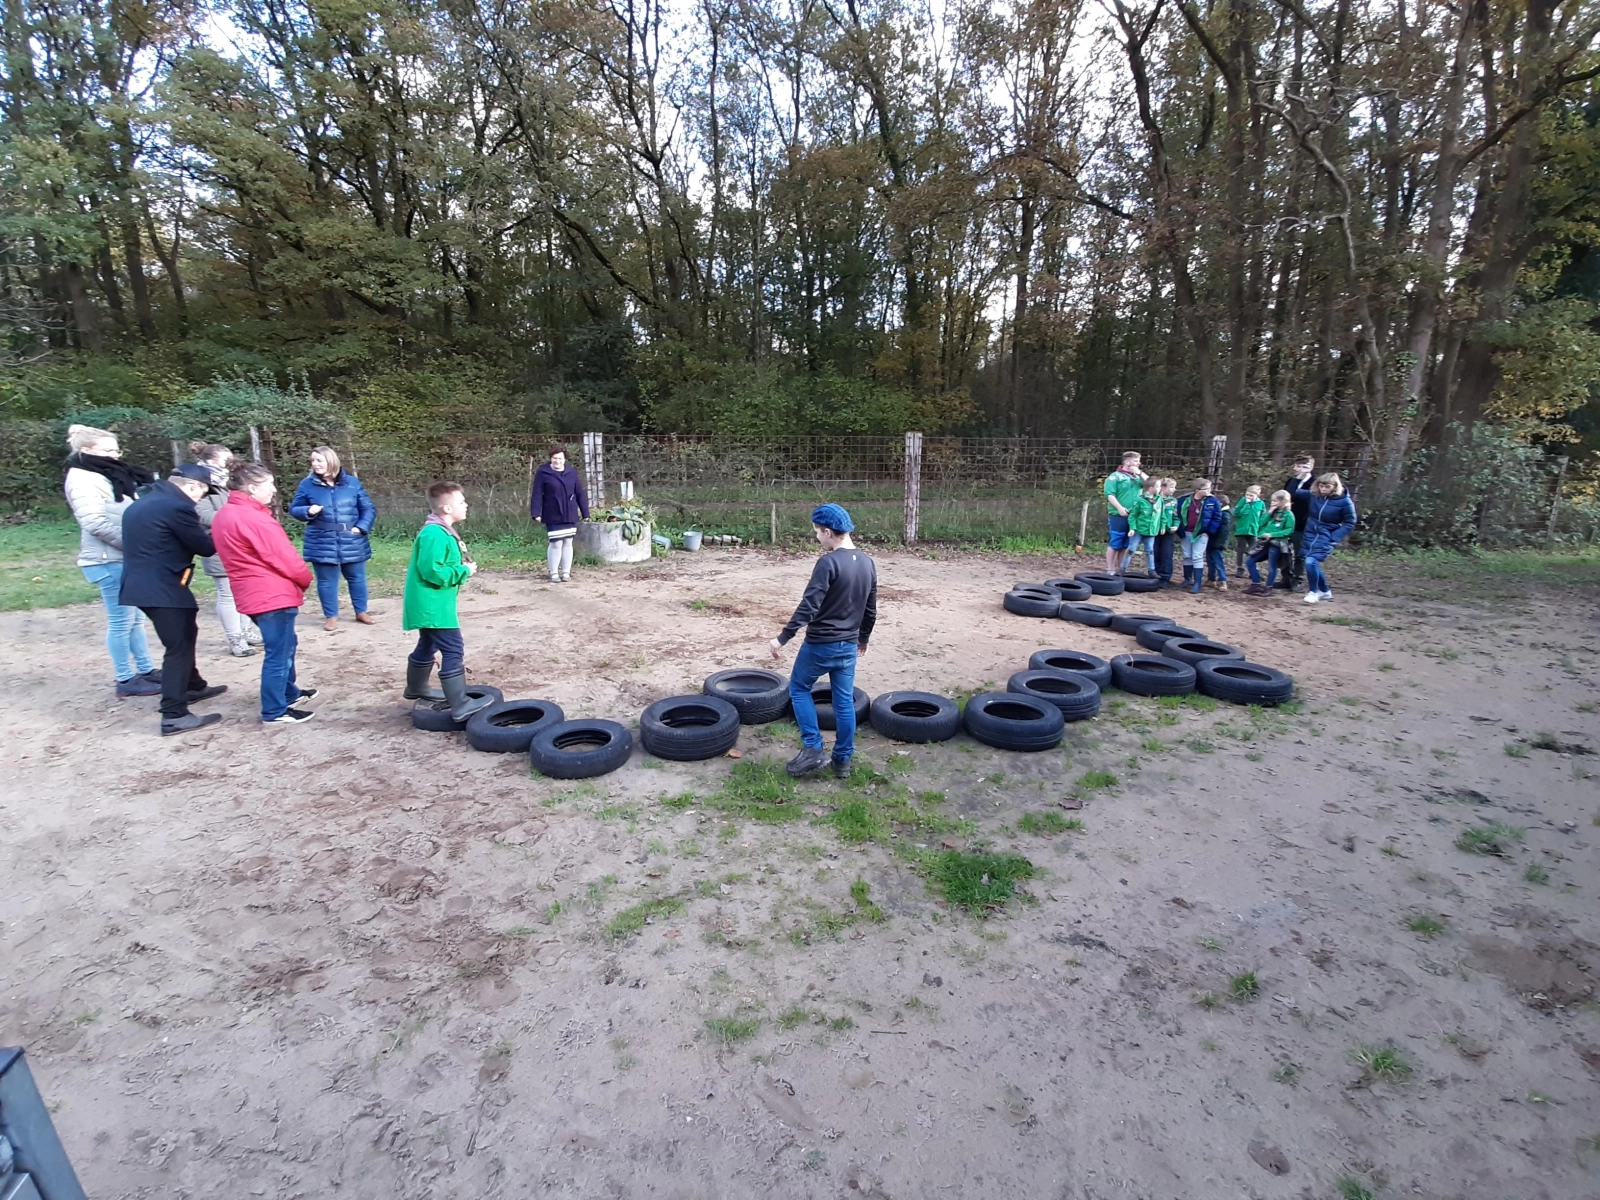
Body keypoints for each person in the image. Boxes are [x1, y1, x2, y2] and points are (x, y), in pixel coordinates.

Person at [118, 464, 229, 735]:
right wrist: (225, 525)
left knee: (186, 633)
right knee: (178, 646)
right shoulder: (176, 508)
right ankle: (173, 714)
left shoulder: (145, 502)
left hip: (143, 584)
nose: (201, 499)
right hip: (162, 587)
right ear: (193, 486)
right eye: (203, 493)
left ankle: (193, 686)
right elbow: (204, 547)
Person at [770, 503, 877, 780]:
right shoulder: (867, 563)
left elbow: (809, 606)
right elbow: (870, 608)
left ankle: (813, 748)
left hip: (820, 645)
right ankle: (842, 761)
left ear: (828, 531)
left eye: (817, 532)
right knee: (843, 703)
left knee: (799, 688)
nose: (817, 537)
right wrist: (863, 638)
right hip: (849, 645)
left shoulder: (828, 563)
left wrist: (783, 637)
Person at [212, 463, 322, 724]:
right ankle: (275, 710)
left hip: (254, 592)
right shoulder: (253, 518)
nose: (274, 490)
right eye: (269, 485)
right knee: (278, 653)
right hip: (270, 594)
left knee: (286, 644)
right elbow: (283, 556)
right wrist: (305, 578)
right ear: (252, 488)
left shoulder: (227, 513)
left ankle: (288, 693)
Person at [63, 423, 161, 698]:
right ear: (86, 450)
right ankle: (125, 678)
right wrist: (134, 543)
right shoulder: (83, 479)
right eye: (108, 450)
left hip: (123, 557)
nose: (115, 455)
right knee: (121, 620)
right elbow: (94, 522)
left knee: (135, 619)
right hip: (108, 559)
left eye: (116, 449)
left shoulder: (107, 475)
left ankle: (145, 670)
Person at [403, 481, 493, 719]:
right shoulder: (434, 533)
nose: (466, 505)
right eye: (461, 502)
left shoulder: (440, 530)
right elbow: (431, 570)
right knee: (453, 648)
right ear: (446, 508)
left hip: (432, 603)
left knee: (428, 644)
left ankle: (416, 687)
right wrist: (464, 571)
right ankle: (460, 704)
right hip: (432, 605)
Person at [289, 446, 376, 631]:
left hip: (352, 540)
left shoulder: (352, 483)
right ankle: (331, 616)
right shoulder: (306, 484)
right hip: (321, 540)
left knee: (357, 578)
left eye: (319, 460)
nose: (315, 464)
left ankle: (361, 612)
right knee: (326, 581)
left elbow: (368, 508)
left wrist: (361, 528)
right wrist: (307, 511)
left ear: (331, 461)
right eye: (313, 461)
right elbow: (294, 509)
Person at [189, 442, 262, 657]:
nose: (230, 463)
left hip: (241, 544)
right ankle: (235, 639)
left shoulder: (230, 482)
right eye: (225, 460)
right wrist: (234, 521)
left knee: (245, 590)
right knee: (228, 594)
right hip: (218, 544)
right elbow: (201, 514)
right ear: (211, 461)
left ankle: (247, 630)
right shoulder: (200, 484)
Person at [530, 444, 590, 583]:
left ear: (565, 459)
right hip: (552, 512)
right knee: (556, 543)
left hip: (569, 512)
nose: (557, 461)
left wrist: (585, 512)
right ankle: (554, 573)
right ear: (551, 459)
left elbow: (579, 493)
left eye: (560, 458)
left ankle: (566, 573)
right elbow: (537, 493)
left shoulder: (571, 472)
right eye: (555, 458)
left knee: (568, 542)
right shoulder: (543, 472)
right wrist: (536, 512)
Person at [1301, 472, 1357, 604]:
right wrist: (1301, 477)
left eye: (1327, 487)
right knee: (1312, 563)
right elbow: (1294, 491)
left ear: (1335, 486)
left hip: (1327, 536)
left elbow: (1350, 522)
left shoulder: (1345, 501)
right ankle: (1325, 591)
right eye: (1321, 486)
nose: (1323, 489)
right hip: (1310, 533)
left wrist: (1335, 536)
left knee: (1310, 561)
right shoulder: (1315, 496)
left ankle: (1313, 592)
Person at [1101, 451, 1146, 575]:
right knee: (1116, 542)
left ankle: (1121, 568)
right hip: (1118, 515)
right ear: (1127, 462)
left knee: (1126, 543)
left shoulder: (1138, 477)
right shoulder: (1114, 477)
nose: (1139, 463)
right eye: (1136, 461)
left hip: (1134, 515)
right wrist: (1120, 508)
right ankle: (1110, 569)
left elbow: (1152, 485)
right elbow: (1110, 495)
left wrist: (1140, 473)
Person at [1175, 478, 1222, 595]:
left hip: (1201, 533)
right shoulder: (1184, 500)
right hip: (1186, 532)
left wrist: (1209, 531)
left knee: (1197, 556)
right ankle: (1187, 579)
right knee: (1187, 555)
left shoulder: (1212, 501)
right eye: (1206, 488)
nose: (1209, 491)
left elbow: (1217, 517)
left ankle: (1197, 583)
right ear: (1197, 490)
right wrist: (1179, 529)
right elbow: (1178, 514)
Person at [1245, 490, 1296, 595]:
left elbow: (1289, 530)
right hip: (1264, 542)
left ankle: (1269, 587)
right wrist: (1269, 512)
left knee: (1272, 566)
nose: (1272, 503)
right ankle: (1256, 583)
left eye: (1275, 501)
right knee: (1250, 561)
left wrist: (1272, 534)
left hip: (1277, 543)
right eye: (1272, 501)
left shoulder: (1288, 514)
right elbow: (1260, 523)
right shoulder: (1272, 512)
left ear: (1283, 501)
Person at [1280, 454, 1316, 591]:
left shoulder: (1315, 483)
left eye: (1303, 466)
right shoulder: (1291, 481)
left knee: (1300, 553)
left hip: (1302, 523)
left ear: (1311, 467)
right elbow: (1287, 496)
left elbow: (1309, 499)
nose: (1300, 469)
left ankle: (1297, 579)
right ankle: (1286, 578)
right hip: (1286, 521)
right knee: (1283, 550)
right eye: (1298, 466)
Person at [1123, 478, 1162, 575]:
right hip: (1139, 531)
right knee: (1131, 550)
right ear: (1151, 488)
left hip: (1151, 531)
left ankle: (1151, 570)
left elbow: (1162, 515)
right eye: (1158, 486)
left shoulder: (1159, 500)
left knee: (1150, 551)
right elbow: (1133, 515)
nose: (1160, 488)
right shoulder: (1140, 500)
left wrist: (1162, 526)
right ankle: (1122, 569)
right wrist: (1132, 528)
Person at [1232, 484, 1266, 576]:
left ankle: (1253, 569)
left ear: (1257, 495)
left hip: (1253, 529)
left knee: (1253, 549)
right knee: (1240, 548)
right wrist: (1246, 505)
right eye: (1247, 495)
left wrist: (1261, 528)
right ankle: (1240, 568)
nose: (1248, 497)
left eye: (1251, 495)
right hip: (1241, 529)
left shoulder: (1261, 504)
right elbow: (1236, 514)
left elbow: (1263, 517)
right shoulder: (1243, 501)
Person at [1154, 477, 1178, 587]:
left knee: (1167, 554)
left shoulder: (1173, 501)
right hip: (1155, 531)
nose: (1174, 489)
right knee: (1155, 553)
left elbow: (1176, 517)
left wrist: (1176, 526)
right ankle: (1154, 575)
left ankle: (1165, 577)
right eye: (1172, 487)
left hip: (1168, 532)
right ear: (1163, 488)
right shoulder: (1154, 499)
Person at [1205, 493, 1232, 590]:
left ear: (1220, 504)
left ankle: (1222, 581)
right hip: (1212, 542)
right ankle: (1211, 579)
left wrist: (1220, 543)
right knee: (1210, 561)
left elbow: (1224, 532)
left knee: (1218, 562)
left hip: (1217, 543)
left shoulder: (1225, 515)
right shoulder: (1220, 513)